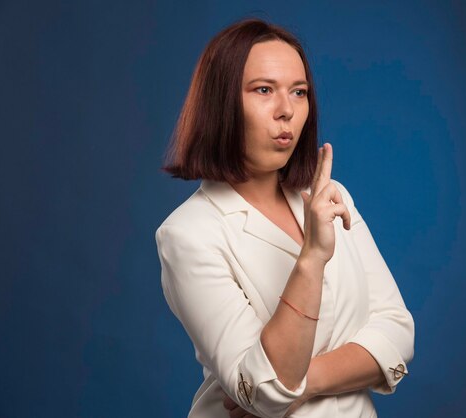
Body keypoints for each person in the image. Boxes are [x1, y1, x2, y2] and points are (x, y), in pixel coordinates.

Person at [155, 18, 414, 418]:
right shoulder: (188, 234)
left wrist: (304, 384)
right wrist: (311, 258)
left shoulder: (330, 196)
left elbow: (397, 332)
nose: (287, 111)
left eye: (299, 92)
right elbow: (266, 390)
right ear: (221, 104)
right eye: (263, 90)